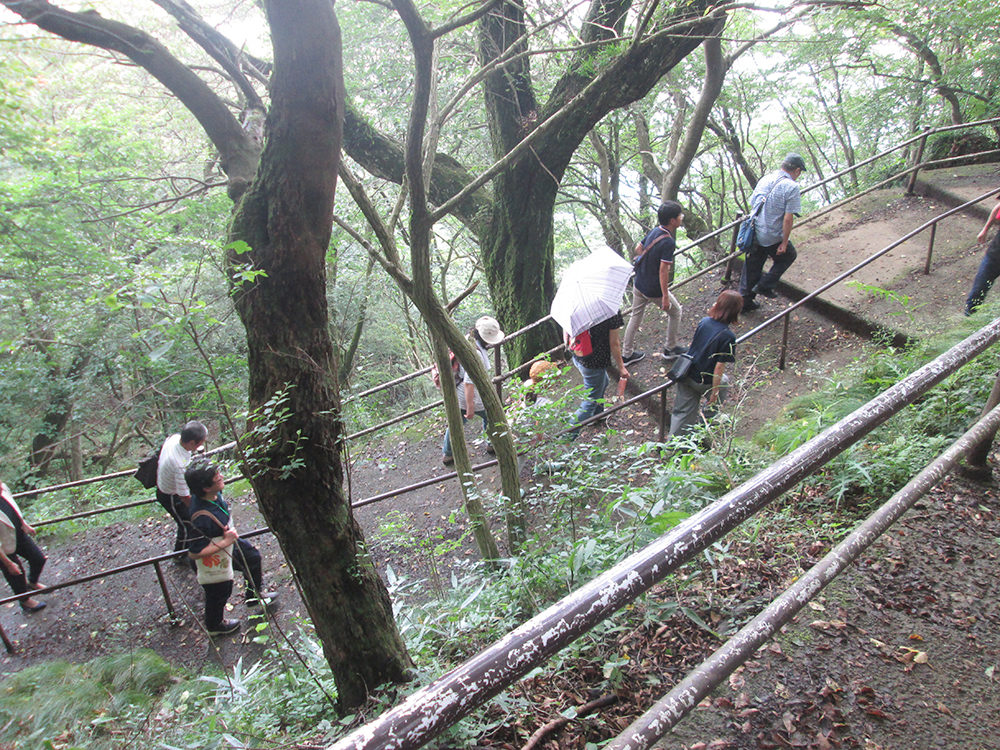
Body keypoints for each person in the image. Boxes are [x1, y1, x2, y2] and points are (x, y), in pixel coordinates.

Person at [185, 461, 277, 637]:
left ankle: (253, 596)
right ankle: (214, 625)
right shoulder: (200, 517)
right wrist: (226, 540)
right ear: (205, 487)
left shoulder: (213, 494)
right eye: (216, 477)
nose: (221, 476)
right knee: (219, 591)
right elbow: (194, 552)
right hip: (215, 554)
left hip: (227, 542)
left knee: (252, 558)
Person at [669, 290, 743, 438]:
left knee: (682, 412)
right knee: (723, 383)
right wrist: (714, 394)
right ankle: (707, 424)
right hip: (703, 380)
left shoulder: (704, 322)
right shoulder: (728, 337)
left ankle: (671, 448)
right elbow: (719, 368)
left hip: (686, 372)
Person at [739, 153, 807, 311]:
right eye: (800, 172)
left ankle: (744, 302)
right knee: (788, 255)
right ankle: (765, 285)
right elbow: (788, 219)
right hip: (770, 234)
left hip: (754, 229)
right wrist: (784, 242)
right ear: (796, 170)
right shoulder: (791, 187)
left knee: (752, 266)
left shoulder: (765, 179)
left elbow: (752, 202)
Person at [622, 201, 686, 365]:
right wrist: (665, 296)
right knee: (676, 312)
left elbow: (638, 248)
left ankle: (626, 354)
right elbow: (663, 271)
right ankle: (670, 349)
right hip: (653, 288)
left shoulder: (656, 231)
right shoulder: (668, 242)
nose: (682, 217)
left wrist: (649, 261)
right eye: (680, 215)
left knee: (635, 317)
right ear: (673, 221)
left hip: (639, 283)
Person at [442, 316, 505, 466]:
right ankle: (492, 443)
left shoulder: (466, 340)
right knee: (491, 416)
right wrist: (470, 407)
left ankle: (448, 453)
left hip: (458, 393)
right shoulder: (475, 354)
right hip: (470, 396)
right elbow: (469, 383)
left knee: (455, 423)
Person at [569, 311, 629, 436]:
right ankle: (568, 434)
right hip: (594, 362)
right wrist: (621, 368)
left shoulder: (577, 307)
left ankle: (598, 414)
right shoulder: (610, 312)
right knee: (589, 402)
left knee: (604, 381)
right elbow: (614, 344)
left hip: (579, 355)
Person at [156, 420, 207, 556]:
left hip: (170, 484)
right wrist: (199, 509)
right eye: (201, 442)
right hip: (170, 495)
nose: (202, 444)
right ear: (191, 443)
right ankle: (180, 554)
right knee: (186, 523)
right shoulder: (178, 464)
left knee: (189, 520)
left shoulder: (174, 439)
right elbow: (184, 496)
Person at [0, 480, 48, 612]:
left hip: (18, 534)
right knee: (16, 574)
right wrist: (8, 563)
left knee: (38, 558)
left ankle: (32, 582)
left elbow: (12, 507)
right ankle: (25, 601)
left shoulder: (3, 488)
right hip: (2, 548)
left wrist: (23, 523)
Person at [965, 194, 1000, 315]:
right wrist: (985, 230)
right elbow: (997, 208)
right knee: (977, 293)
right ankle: (968, 321)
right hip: (994, 255)